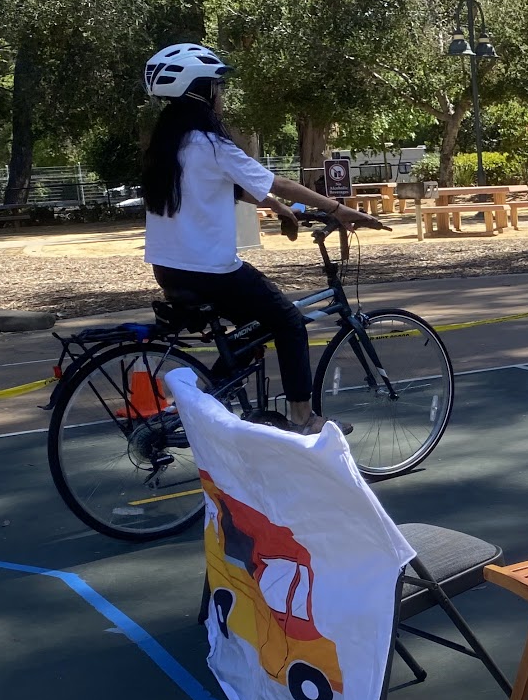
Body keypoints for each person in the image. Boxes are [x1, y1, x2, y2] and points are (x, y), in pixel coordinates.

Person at [140, 42, 386, 432]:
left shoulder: (167, 147)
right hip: (210, 270)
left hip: (169, 268)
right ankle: (303, 418)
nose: (221, 95)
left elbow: (226, 187)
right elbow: (279, 182)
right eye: (218, 87)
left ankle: (199, 405)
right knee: (288, 321)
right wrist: (339, 210)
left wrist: (277, 208)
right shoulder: (211, 144)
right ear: (201, 91)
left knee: (251, 332)